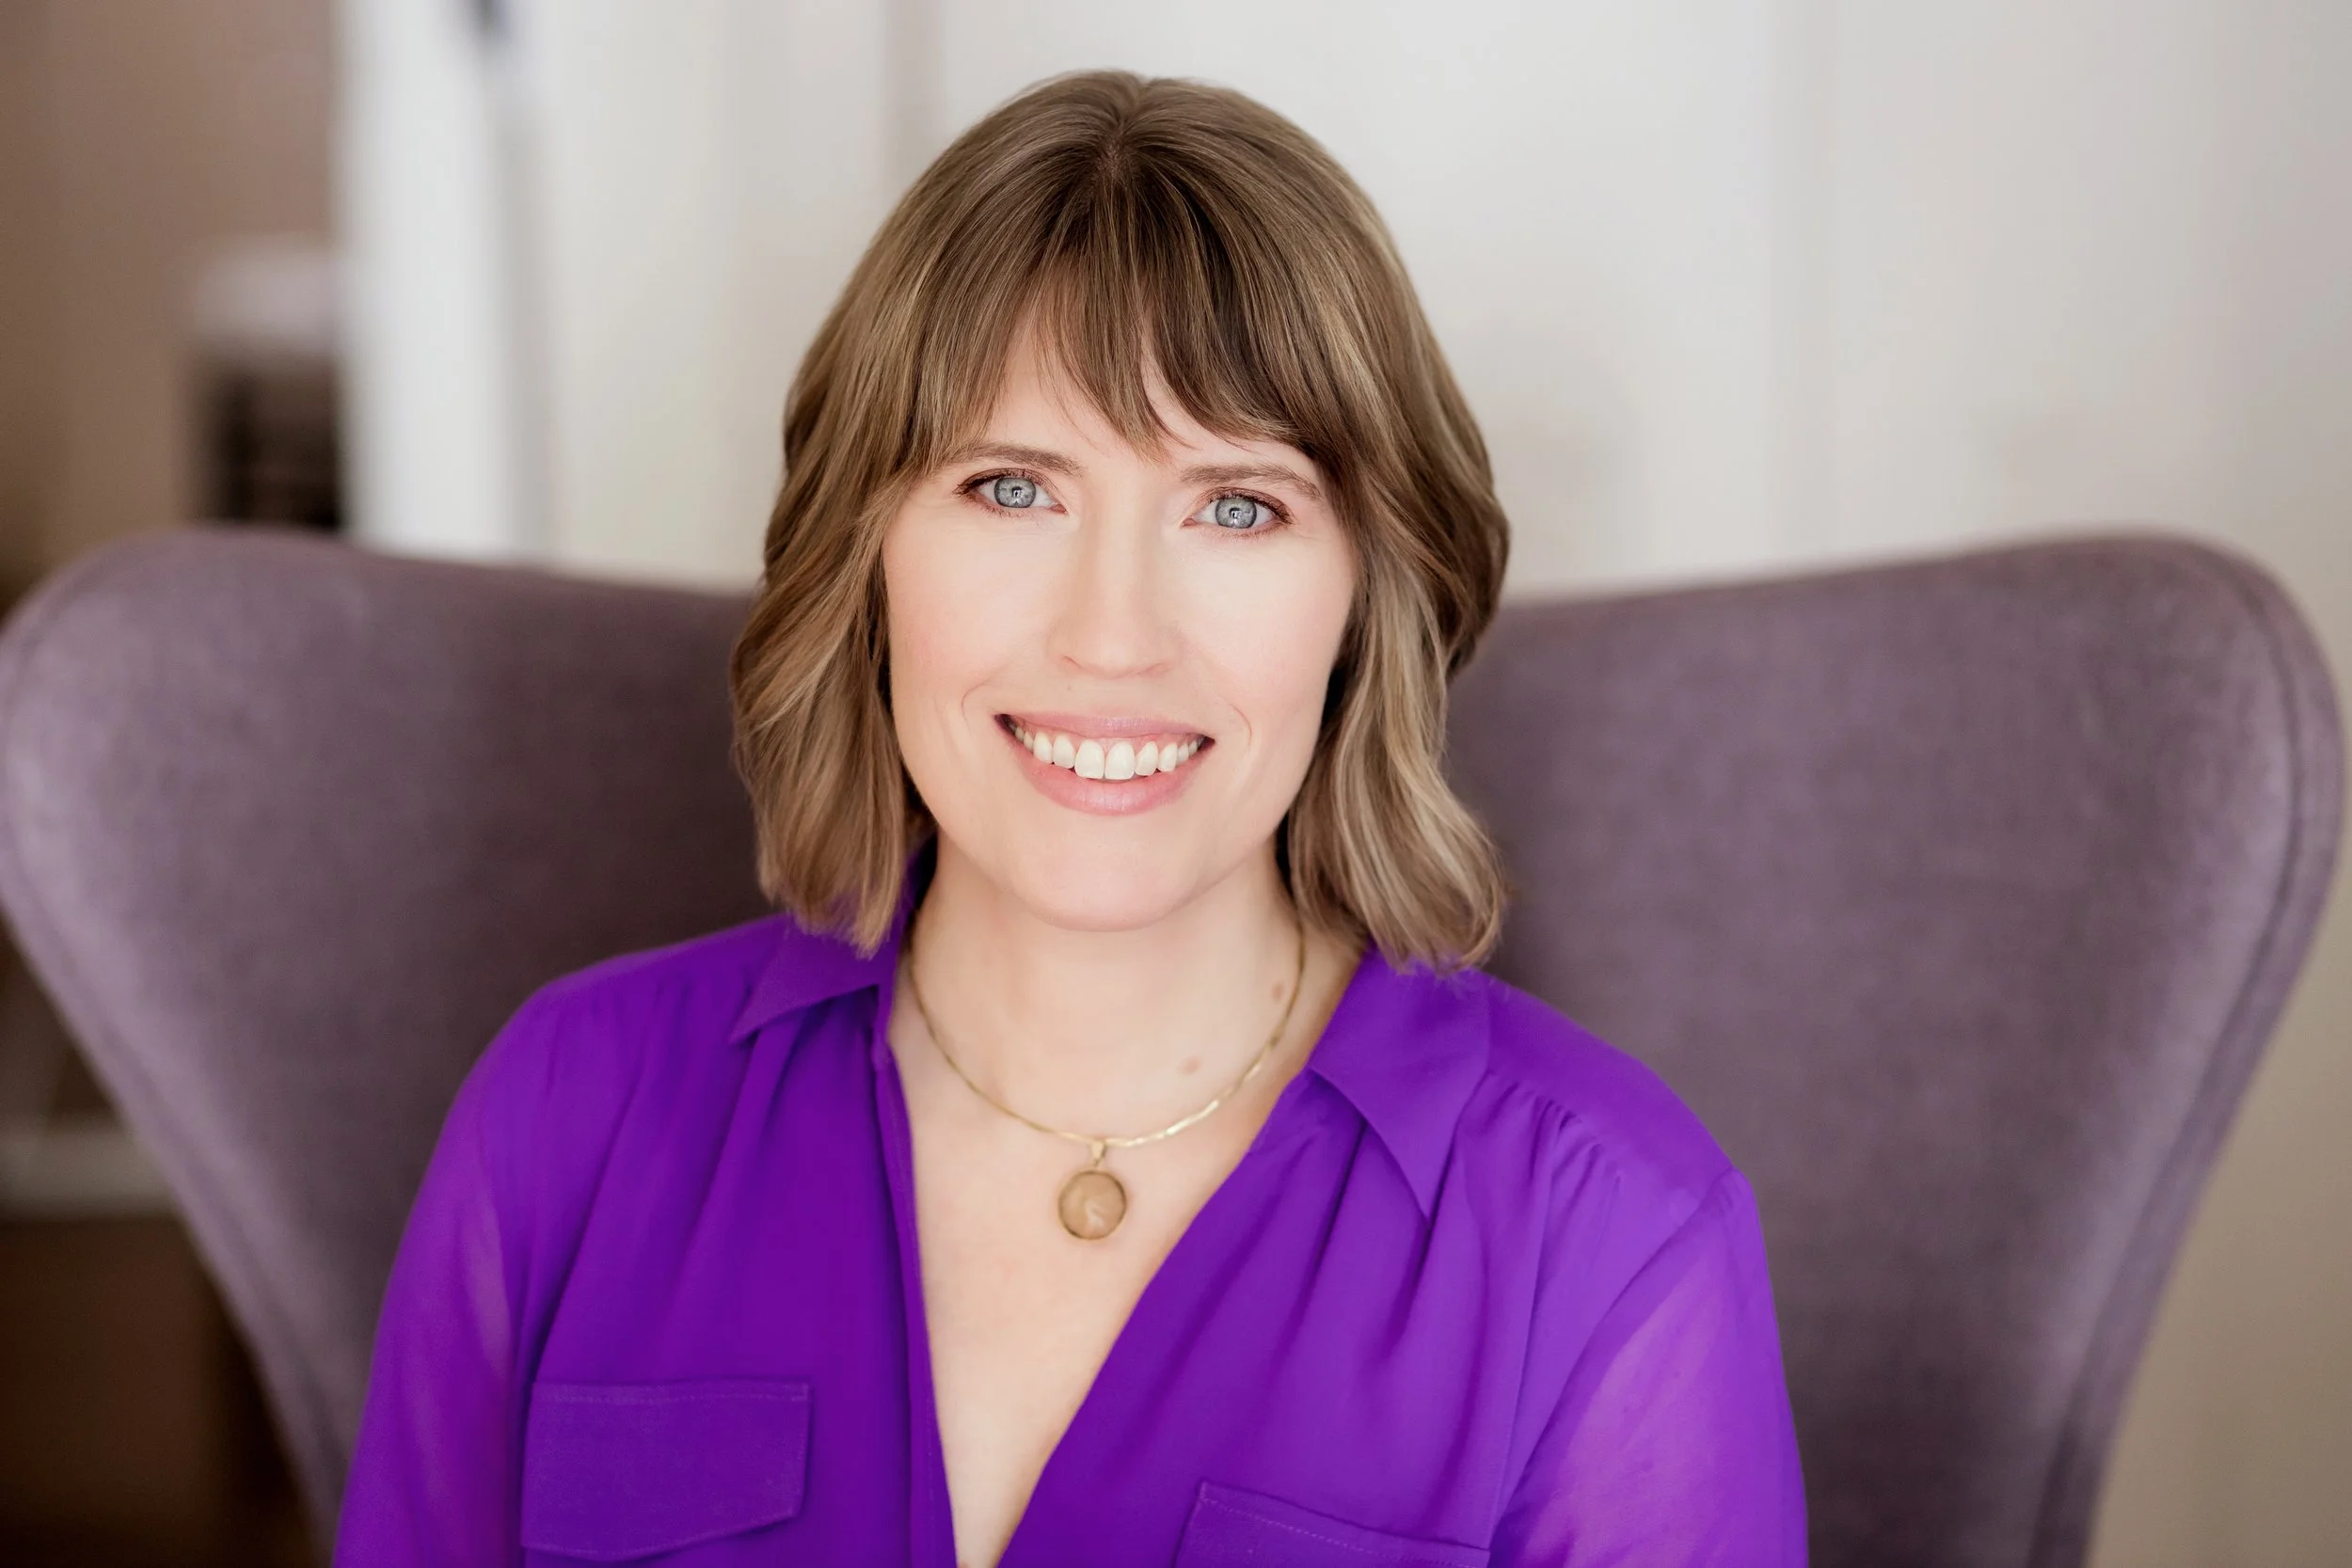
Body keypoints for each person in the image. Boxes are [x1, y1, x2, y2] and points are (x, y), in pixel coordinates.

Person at [335, 70, 1806, 1567]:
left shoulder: (1614, 1234)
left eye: (1237, 505)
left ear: (1366, 595)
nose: (1114, 636)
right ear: (869, 554)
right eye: (1012, 487)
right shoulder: (566, 1117)